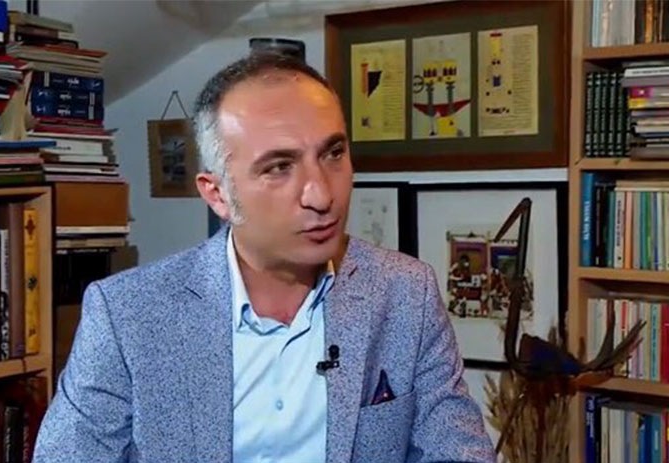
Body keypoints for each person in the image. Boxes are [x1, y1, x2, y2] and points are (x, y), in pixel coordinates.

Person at [33, 51, 496, 463]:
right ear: (217, 194)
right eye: (279, 167)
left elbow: (458, 452)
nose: (321, 195)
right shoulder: (127, 315)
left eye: (333, 153)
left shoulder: (406, 293)